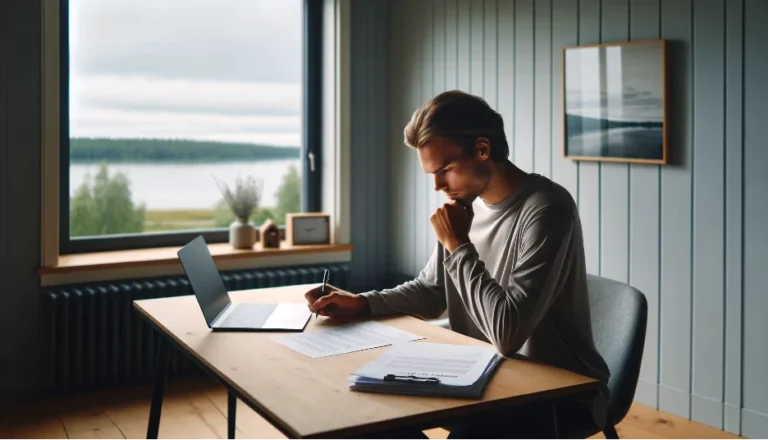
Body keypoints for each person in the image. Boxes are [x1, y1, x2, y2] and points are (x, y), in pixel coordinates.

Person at [304, 90, 611, 439]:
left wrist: (458, 243)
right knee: (361, 417)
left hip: (559, 393)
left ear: (483, 149)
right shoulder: (465, 207)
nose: (437, 186)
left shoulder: (547, 209)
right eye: (431, 174)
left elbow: (508, 333)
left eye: (445, 170)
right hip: (484, 372)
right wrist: (362, 303)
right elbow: (432, 290)